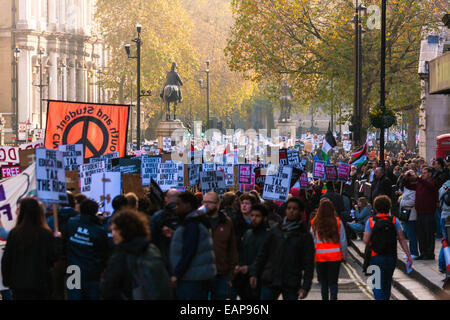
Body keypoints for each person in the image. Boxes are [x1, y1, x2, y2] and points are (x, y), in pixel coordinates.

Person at [249, 197, 314, 300]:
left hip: (291, 282)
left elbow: (309, 263)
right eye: (289, 208)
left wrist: (305, 286)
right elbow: (263, 254)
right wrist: (254, 273)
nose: (291, 211)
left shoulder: (305, 236)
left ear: (300, 212)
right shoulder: (275, 231)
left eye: (294, 208)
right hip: (271, 279)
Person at [100, 210, 171, 300]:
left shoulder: (121, 256)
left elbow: (108, 289)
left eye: (115, 229)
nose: (112, 234)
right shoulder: (151, 248)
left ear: (125, 231)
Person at [1, 198, 61, 300]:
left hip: (19, 285)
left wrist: (7, 281)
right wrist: (57, 241)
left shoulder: (14, 233)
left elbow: (7, 260)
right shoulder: (46, 233)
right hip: (41, 284)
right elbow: (53, 257)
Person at [363, 195, 412, 300]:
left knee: (377, 285)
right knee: (387, 283)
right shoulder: (395, 221)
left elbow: (366, 240)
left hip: (375, 257)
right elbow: (402, 239)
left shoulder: (371, 221)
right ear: (389, 207)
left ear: (375, 207)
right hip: (391, 257)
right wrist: (408, 255)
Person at [169, 191, 216, 300]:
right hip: (197, 276)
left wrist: (177, 274)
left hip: (192, 278)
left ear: (188, 205)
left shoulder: (192, 224)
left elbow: (189, 250)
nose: (176, 207)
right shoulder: (195, 221)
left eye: (179, 204)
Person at [65, 200, 109, 300]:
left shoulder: (71, 223)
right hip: (92, 272)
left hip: (73, 271)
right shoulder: (100, 231)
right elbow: (103, 253)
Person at [202, 192, 238, 300]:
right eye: (204, 202)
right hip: (202, 273)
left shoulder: (227, 223)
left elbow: (232, 249)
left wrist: (232, 273)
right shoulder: (198, 221)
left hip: (221, 273)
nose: (206, 205)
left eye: (209, 202)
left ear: (217, 205)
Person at [311, 200, 347, 300]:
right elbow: (343, 241)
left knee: (324, 283)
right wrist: (344, 256)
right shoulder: (338, 222)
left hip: (320, 257)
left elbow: (312, 241)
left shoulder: (315, 222)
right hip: (335, 257)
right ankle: (333, 297)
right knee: (333, 282)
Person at [46, 192, 79, 300]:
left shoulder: (52, 220)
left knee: (57, 292)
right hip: (75, 261)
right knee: (74, 290)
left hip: (58, 261)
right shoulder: (78, 218)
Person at [233, 204, 269, 300]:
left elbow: (265, 259)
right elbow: (243, 252)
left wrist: (250, 268)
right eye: (252, 215)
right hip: (245, 279)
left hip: (261, 279)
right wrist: (240, 265)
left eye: (257, 216)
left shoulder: (269, 236)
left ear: (264, 218)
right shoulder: (248, 233)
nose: (254, 218)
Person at [406, 166, 439, 260]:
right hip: (419, 212)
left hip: (429, 212)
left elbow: (430, 187)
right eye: (422, 173)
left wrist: (419, 179)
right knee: (421, 234)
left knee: (429, 233)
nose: (422, 175)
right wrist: (406, 178)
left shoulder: (433, 182)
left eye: (424, 173)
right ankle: (423, 252)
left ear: (430, 174)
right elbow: (409, 186)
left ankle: (429, 253)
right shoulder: (420, 183)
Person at [150, 189, 180, 271]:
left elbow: (152, 238)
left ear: (166, 199)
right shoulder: (185, 214)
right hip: (182, 260)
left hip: (162, 259)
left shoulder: (158, 216)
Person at [399, 170, 419, 259]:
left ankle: (414, 252)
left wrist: (402, 202)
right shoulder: (407, 188)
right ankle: (410, 252)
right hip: (406, 214)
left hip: (411, 215)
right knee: (407, 233)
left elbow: (412, 202)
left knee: (412, 235)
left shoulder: (413, 190)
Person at [438, 179, 450, 273]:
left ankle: (442, 264)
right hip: (448, 217)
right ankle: (442, 264)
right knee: (446, 241)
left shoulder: (444, 186)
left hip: (444, 215)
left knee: (445, 241)